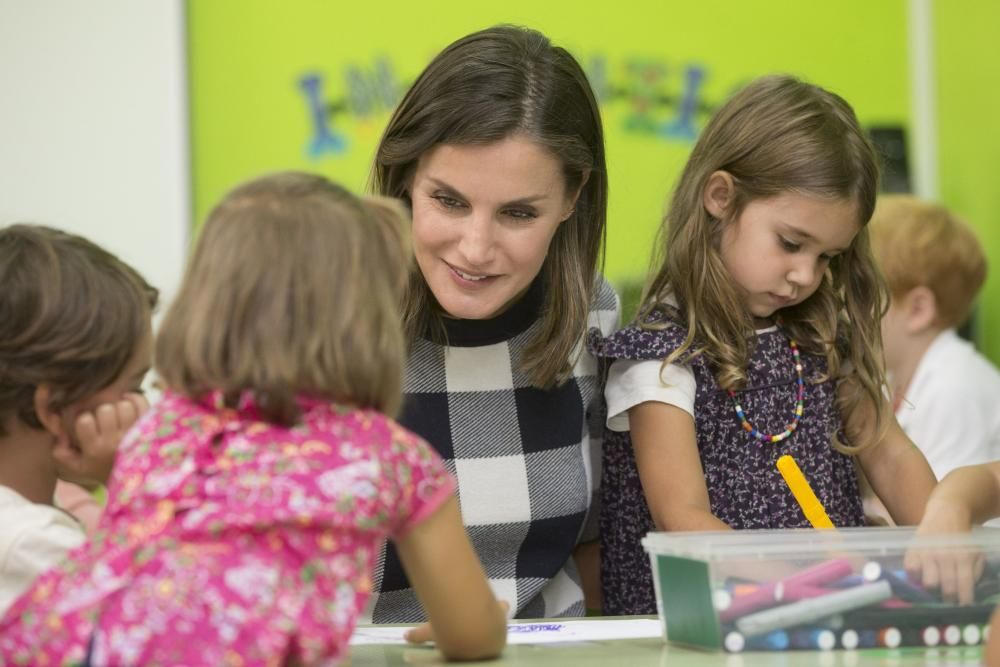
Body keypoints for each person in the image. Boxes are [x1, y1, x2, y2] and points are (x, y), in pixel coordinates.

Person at [0, 174, 506, 665]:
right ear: (370, 321)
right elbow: (470, 637)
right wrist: (474, 619)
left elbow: (131, 580)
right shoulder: (392, 455)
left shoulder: (161, 428)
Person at [589, 75, 937, 615]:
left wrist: (944, 542)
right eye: (791, 243)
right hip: (702, 632)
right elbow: (683, 521)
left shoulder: (821, 341)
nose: (806, 275)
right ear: (721, 198)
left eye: (827, 257)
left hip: (823, 624)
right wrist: (809, 583)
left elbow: (889, 454)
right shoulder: (660, 359)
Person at [367, 25, 619, 621]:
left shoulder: (595, 315)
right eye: (449, 201)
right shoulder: (325, 322)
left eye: (518, 213)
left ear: (572, 197)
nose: (475, 249)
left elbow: (595, 543)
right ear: (405, 175)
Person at [0, 224, 155, 615]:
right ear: (53, 409)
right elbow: (155, 624)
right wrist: (129, 482)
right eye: (134, 387)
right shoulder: (31, 544)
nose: (145, 409)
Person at [870, 195, 1000, 479]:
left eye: (860, 295)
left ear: (918, 309)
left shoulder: (954, 387)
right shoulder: (897, 381)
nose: (844, 310)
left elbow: (941, 513)